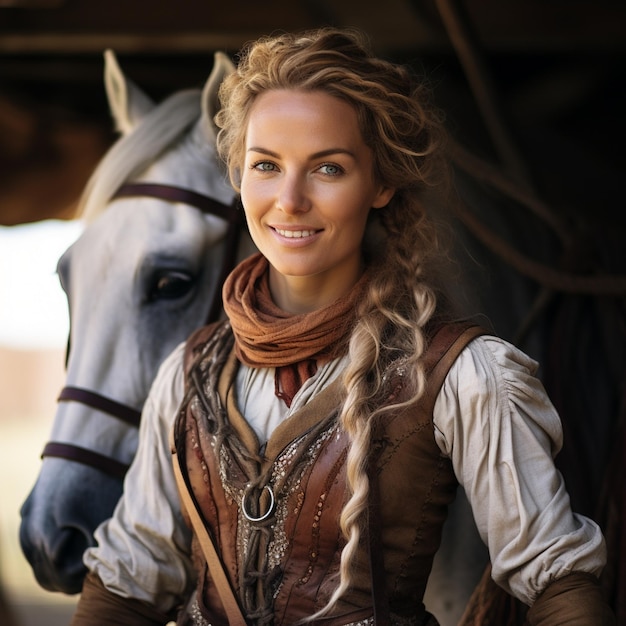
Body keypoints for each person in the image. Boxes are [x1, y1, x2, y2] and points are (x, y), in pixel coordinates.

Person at [70, 27, 615, 626]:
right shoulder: (187, 376)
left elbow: (557, 584)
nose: (290, 199)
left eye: (327, 168)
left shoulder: (464, 374)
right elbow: (125, 587)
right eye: (266, 166)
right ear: (240, 176)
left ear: (381, 184)